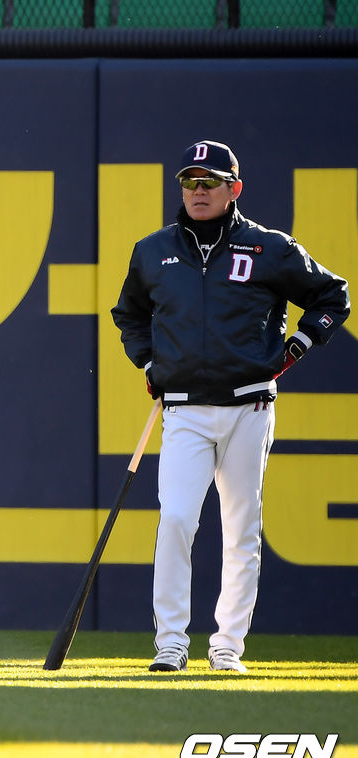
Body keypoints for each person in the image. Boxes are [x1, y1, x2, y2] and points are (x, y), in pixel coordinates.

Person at [112, 141, 349, 673]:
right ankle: (171, 644)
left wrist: (297, 348)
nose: (197, 191)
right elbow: (129, 314)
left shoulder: (269, 247)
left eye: (209, 182)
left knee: (240, 528)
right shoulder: (153, 251)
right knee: (175, 520)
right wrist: (148, 364)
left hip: (249, 407)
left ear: (233, 189)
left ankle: (227, 648)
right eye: (190, 182)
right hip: (184, 410)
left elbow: (333, 296)